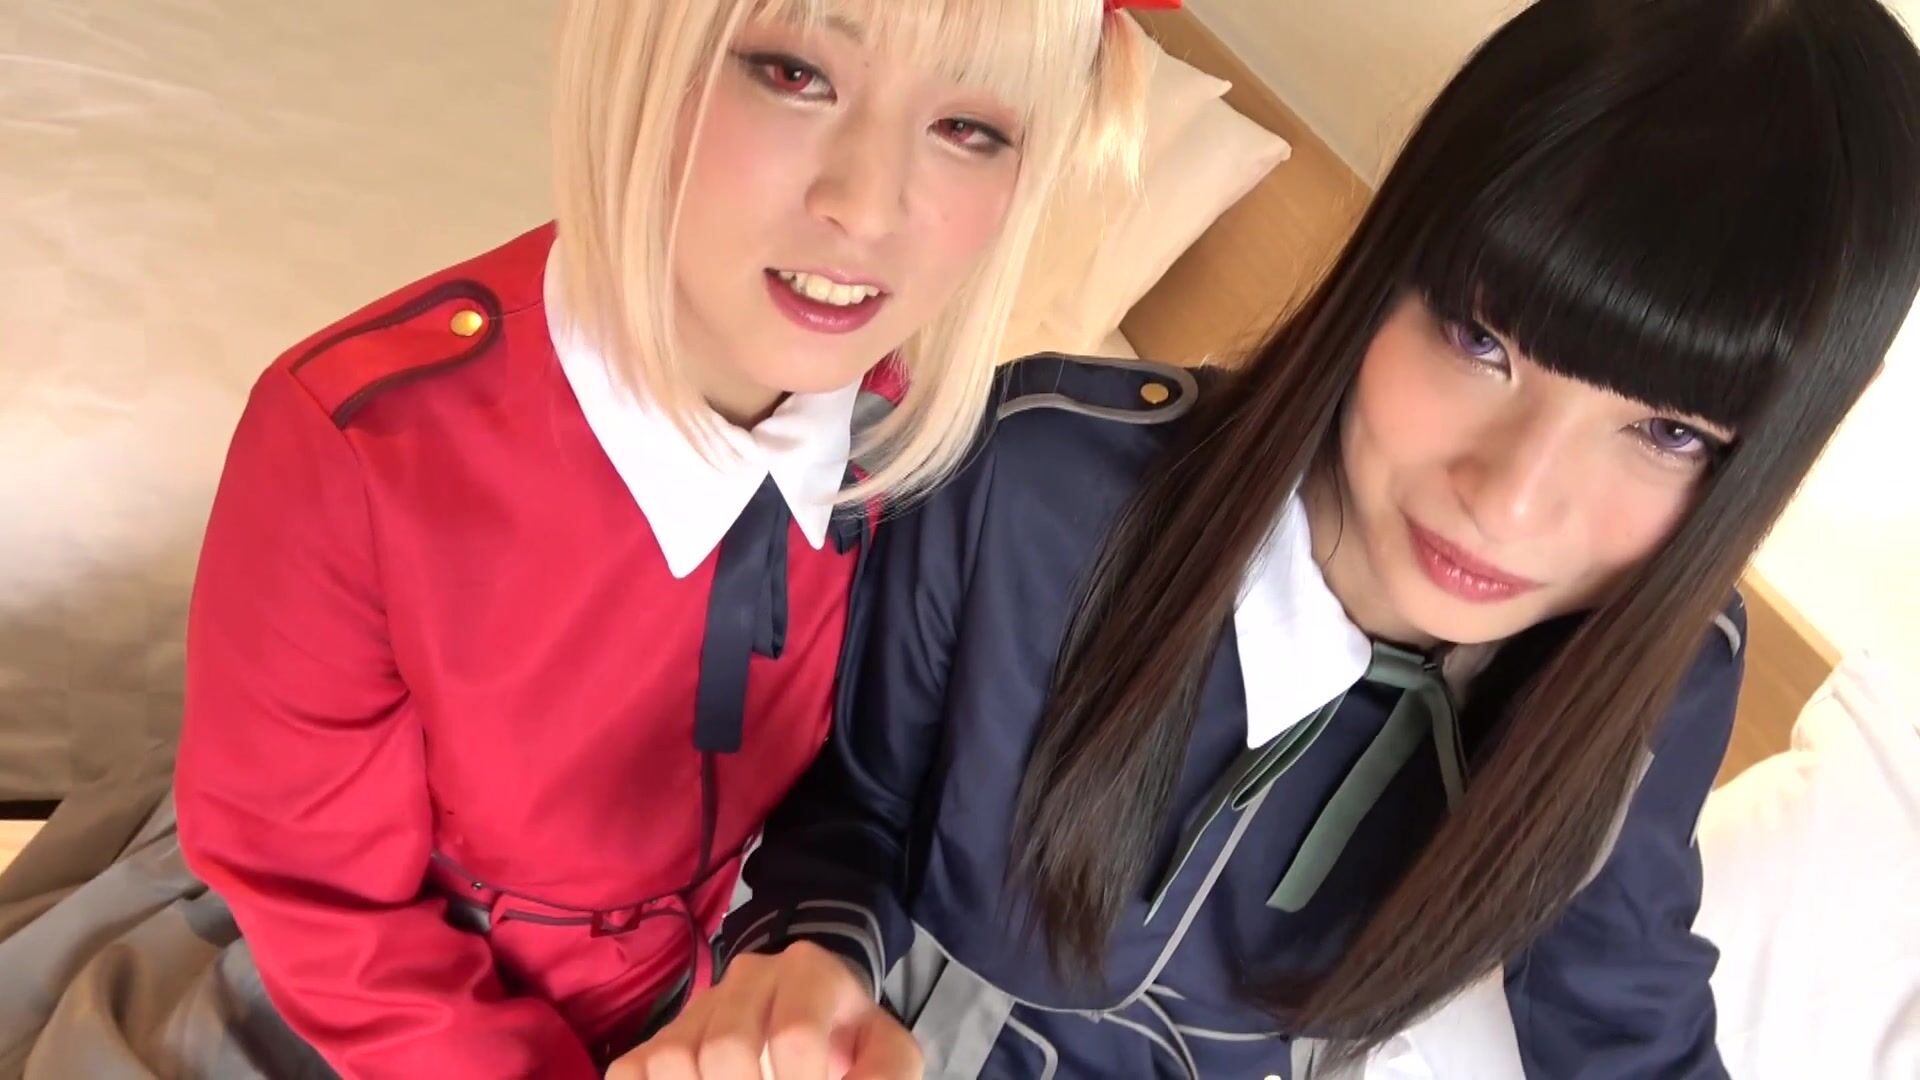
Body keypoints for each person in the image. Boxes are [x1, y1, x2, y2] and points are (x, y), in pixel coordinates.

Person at [625, 0, 1920, 1076]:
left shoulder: (1657, 670)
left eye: (1672, 434)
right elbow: (846, 803)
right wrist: (809, 965)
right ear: (1389, 269)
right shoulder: (1033, 481)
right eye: (1482, 343)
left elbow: (1617, 1003)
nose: (1511, 500)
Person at [173, 1, 1148, 1076]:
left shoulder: (915, 454)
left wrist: (806, 967)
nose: (868, 207)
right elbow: (326, 908)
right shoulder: (364, 446)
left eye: (969, 130)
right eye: (794, 74)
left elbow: (875, 789)